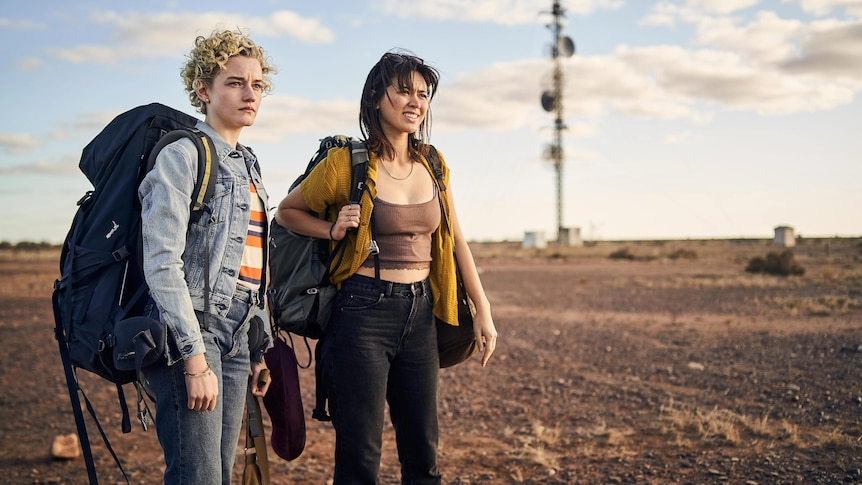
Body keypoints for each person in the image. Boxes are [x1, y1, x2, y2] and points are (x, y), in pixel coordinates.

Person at [276, 50, 498, 484]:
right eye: (404, 91)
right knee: (360, 457)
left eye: (423, 93)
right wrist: (332, 229)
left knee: (423, 454)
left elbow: (455, 239)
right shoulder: (347, 164)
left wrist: (483, 308)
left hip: (422, 313)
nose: (416, 101)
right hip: (362, 313)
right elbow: (287, 212)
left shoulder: (433, 162)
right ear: (377, 96)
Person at [137, 29, 276, 484]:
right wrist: (193, 358)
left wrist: (259, 347)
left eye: (257, 84)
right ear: (203, 90)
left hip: (237, 335)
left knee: (218, 473)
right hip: (193, 331)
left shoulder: (249, 164)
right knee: (198, 477)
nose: (249, 94)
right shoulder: (182, 156)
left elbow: (253, 265)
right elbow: (161, 261)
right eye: (235, 83)